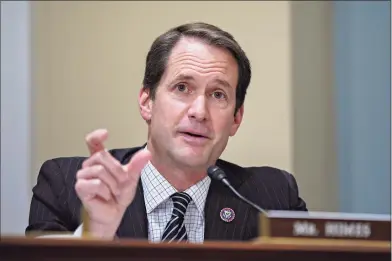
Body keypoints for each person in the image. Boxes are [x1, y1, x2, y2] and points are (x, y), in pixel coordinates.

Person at [26, 22, 307, 243]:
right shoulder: (68, 186)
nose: (199, 111)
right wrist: (96, 234)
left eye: (218, 94)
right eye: (182, 87)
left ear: (236, 118)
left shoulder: (273, 197)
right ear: (147, 102)